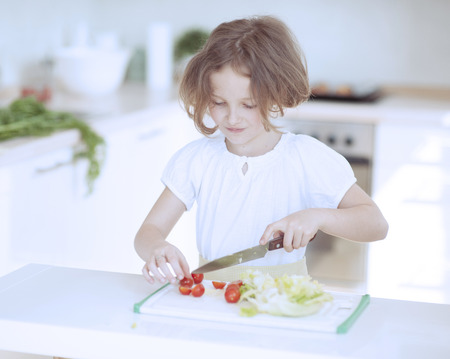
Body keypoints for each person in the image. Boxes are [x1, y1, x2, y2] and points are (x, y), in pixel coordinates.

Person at [135, 15, 388, 285]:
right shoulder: (197, 160)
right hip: (211, 296)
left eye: (249, 105)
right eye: (219, 102)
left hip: (283, 301)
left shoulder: (306, 157)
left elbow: (376, 224)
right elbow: (148, 232)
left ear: (277, 95)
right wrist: (157, 248)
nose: (232, 118)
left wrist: (319, 217)